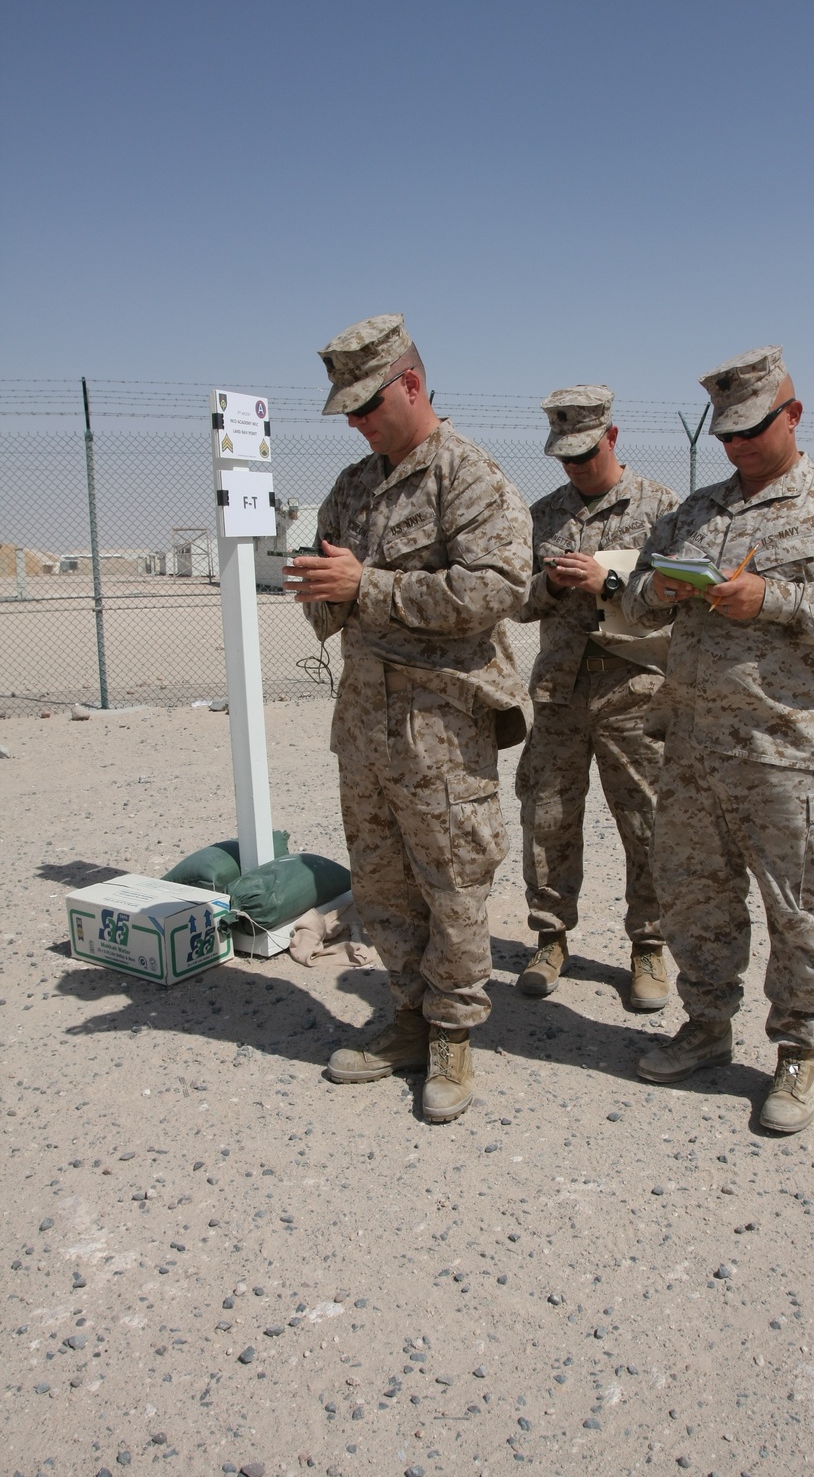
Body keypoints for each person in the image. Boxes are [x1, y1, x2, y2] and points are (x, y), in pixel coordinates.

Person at [623, 346, 814, 1132]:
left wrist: (772, 600)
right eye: (727, 435)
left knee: (800, 908)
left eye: (753, 428)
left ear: (794, 414)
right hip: (690, 749)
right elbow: (637, 598)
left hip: (786, 752)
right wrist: (662, 587)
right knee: (695, 899)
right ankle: (707, 1028)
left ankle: (798, 1053)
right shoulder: (694, 512)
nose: (738, 445)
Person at [284, 314, 533, 1123]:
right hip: (366, 725)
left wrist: (369, 589)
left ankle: (454, 1035)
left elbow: (499, 588)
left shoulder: (469, 477)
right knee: (384, 883)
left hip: (444, 732)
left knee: (453, 884)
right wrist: (320, 591)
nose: (357, 423)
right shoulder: (354, 486)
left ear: (413, 386)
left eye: (366, 405)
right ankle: (407, 1019)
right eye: (347, 412)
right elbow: (330, 575)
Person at [516, 385, 680, 1009]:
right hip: (560, 693)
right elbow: (515, 601)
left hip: (634, 690)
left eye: (584, 453)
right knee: (548, 819)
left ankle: (649, 945)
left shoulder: (663, 507)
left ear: (612, 437)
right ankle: (551, 938)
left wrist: (609, 581)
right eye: (564, 457)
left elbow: (680, 596)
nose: (575, 467)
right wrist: (552, 587)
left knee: (646, 821)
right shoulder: (544, 515)